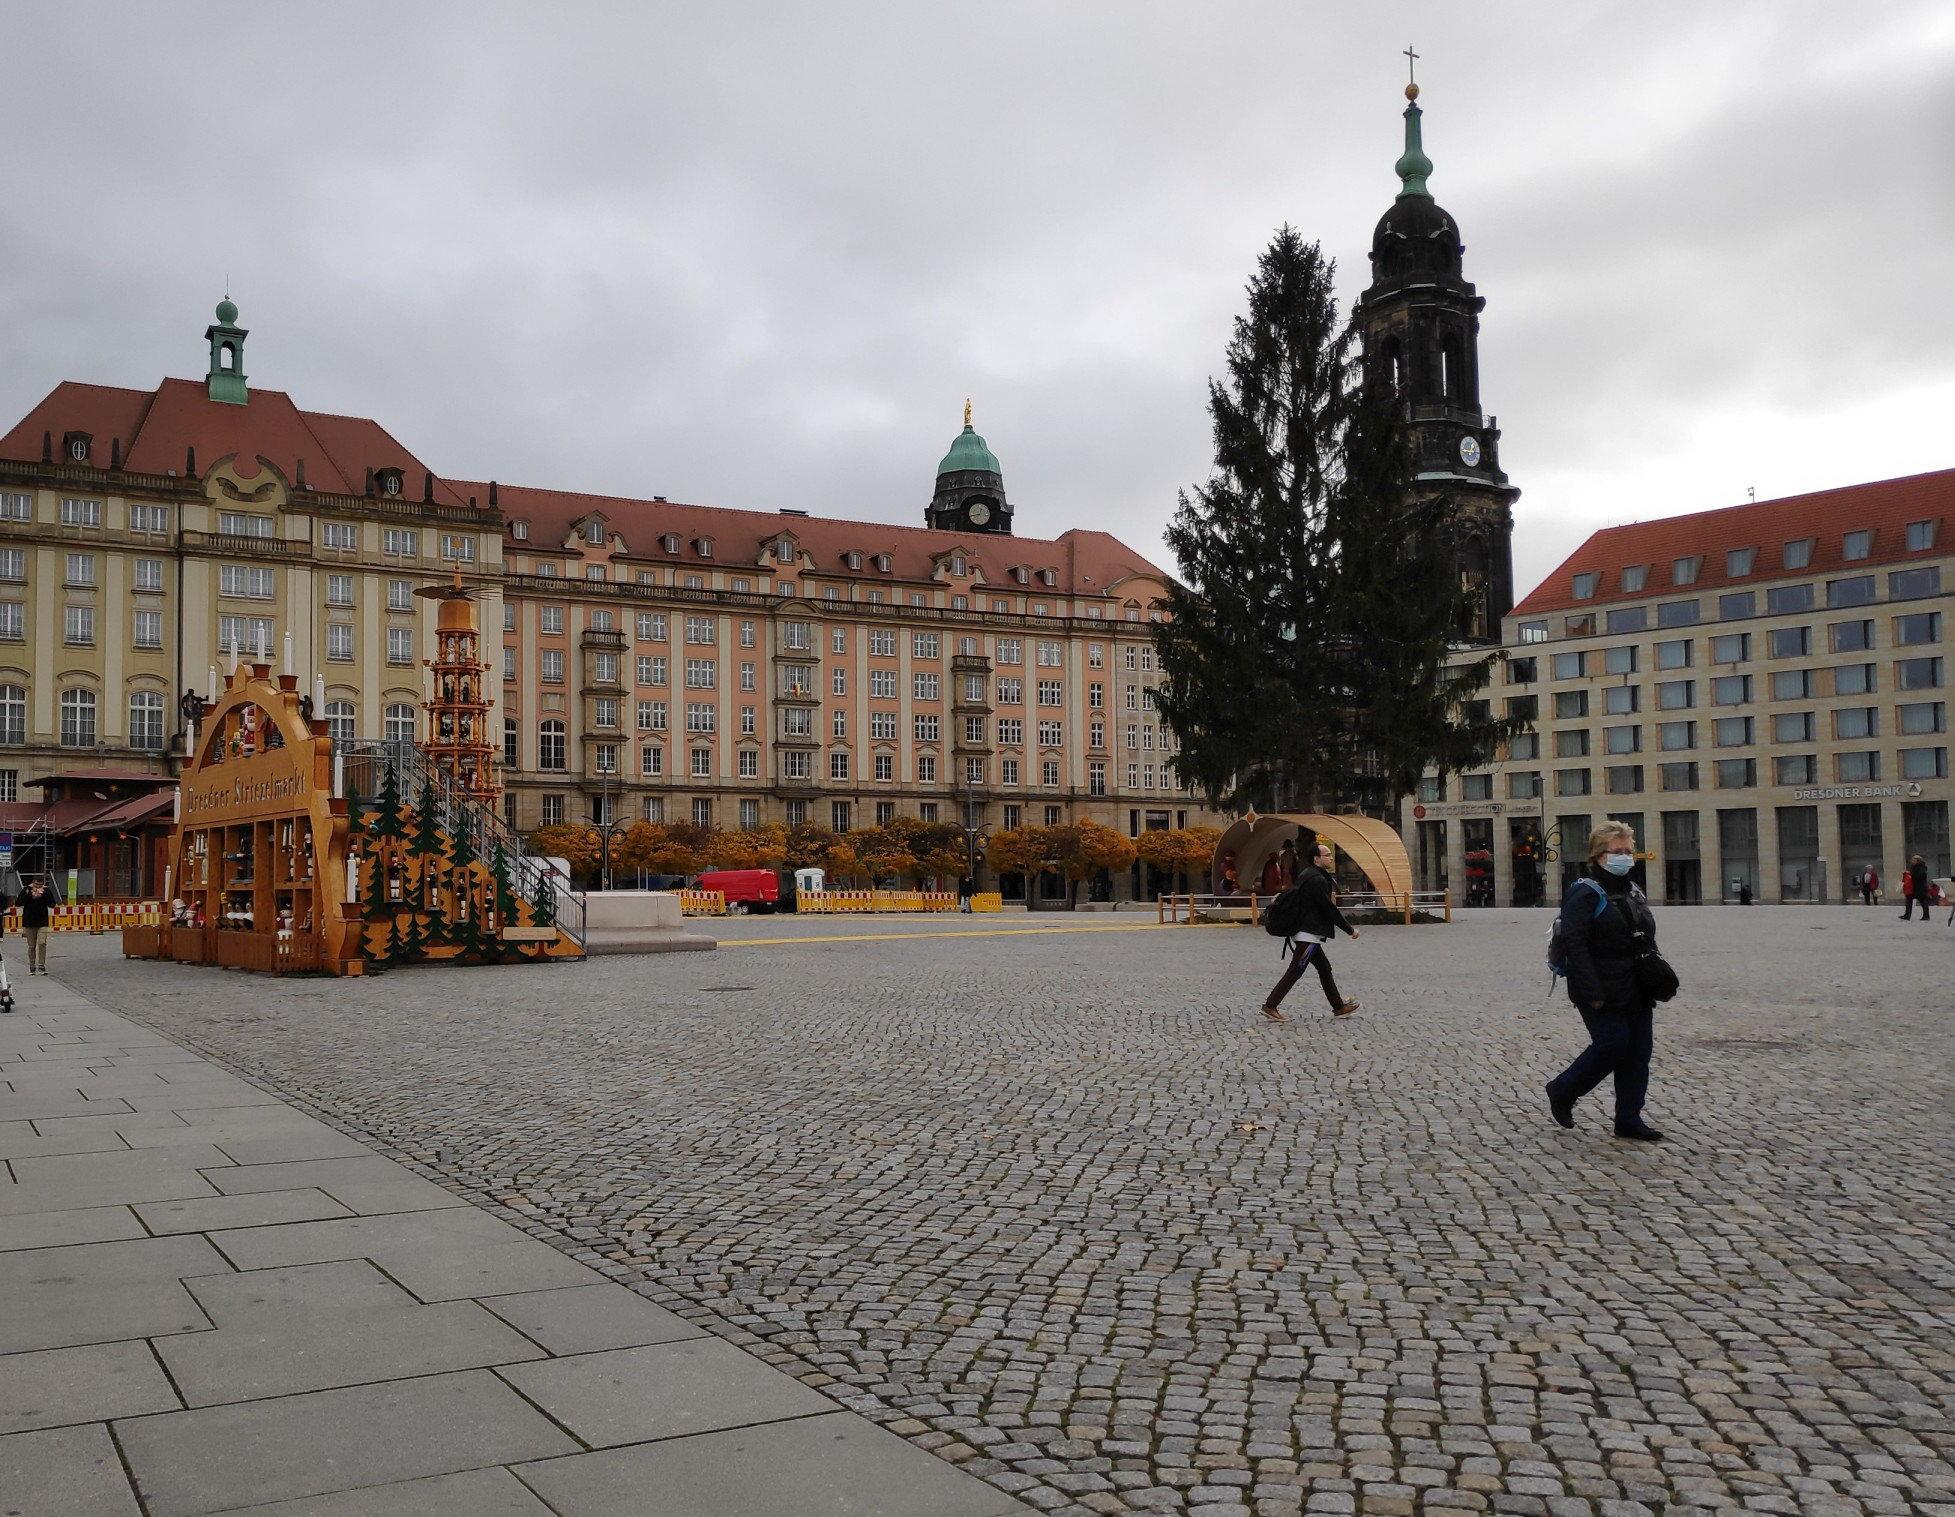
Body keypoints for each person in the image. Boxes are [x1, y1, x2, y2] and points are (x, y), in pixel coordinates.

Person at [1545, 821, 1666, 1142]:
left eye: (1629, 851)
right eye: (1617, 852)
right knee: (1612, 1045)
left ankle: (1628, 1119)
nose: (1625, 857)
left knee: (1638, 1053)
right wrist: (1590, 990)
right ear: (1599, 855)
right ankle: (1562, 1090)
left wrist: (1657, 973)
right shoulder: (1583, 892)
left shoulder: (1632, 890)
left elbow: (1644, 936)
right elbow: (1575, 943)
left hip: (1637, 985)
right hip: (1599, 986)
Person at [1260, 841, 1360, 1022]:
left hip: (1308, 931)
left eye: (1330, 854)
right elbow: (1328, 908)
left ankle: (1338, 1007)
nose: (1331, 857)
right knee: (1296, 970)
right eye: (1327, 855)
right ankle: (1270, 1005)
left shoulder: (1309, 874)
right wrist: (1349, 929)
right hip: (1308, 933)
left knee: (1324, 968)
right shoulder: (1316, 879)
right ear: (1316, 859)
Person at [18, 878, 53, 976]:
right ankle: (32, 966)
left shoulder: (46, 891)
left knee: (42, 943)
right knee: (31, 946)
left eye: (40, 885)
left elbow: (52, 904)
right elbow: (18, 903)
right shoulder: (26, 890)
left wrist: (45, 894)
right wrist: (29, 893)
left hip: (42, 921)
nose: (38, 887)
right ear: (33, 883)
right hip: (29, 922)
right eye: (37, 884)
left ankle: (41, 965)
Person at [1901, 855, 1930, 921]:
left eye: (1913, 860)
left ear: (1917, 860)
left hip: (1920, 887)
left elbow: (1920, 876)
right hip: (1914, 887)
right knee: (1908, 900)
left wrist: (1911, 874)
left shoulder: (1922, 867)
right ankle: (1907, 915)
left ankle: (1926, 916)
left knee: (1923, 902)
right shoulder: (1914, 867)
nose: (1912, 861)